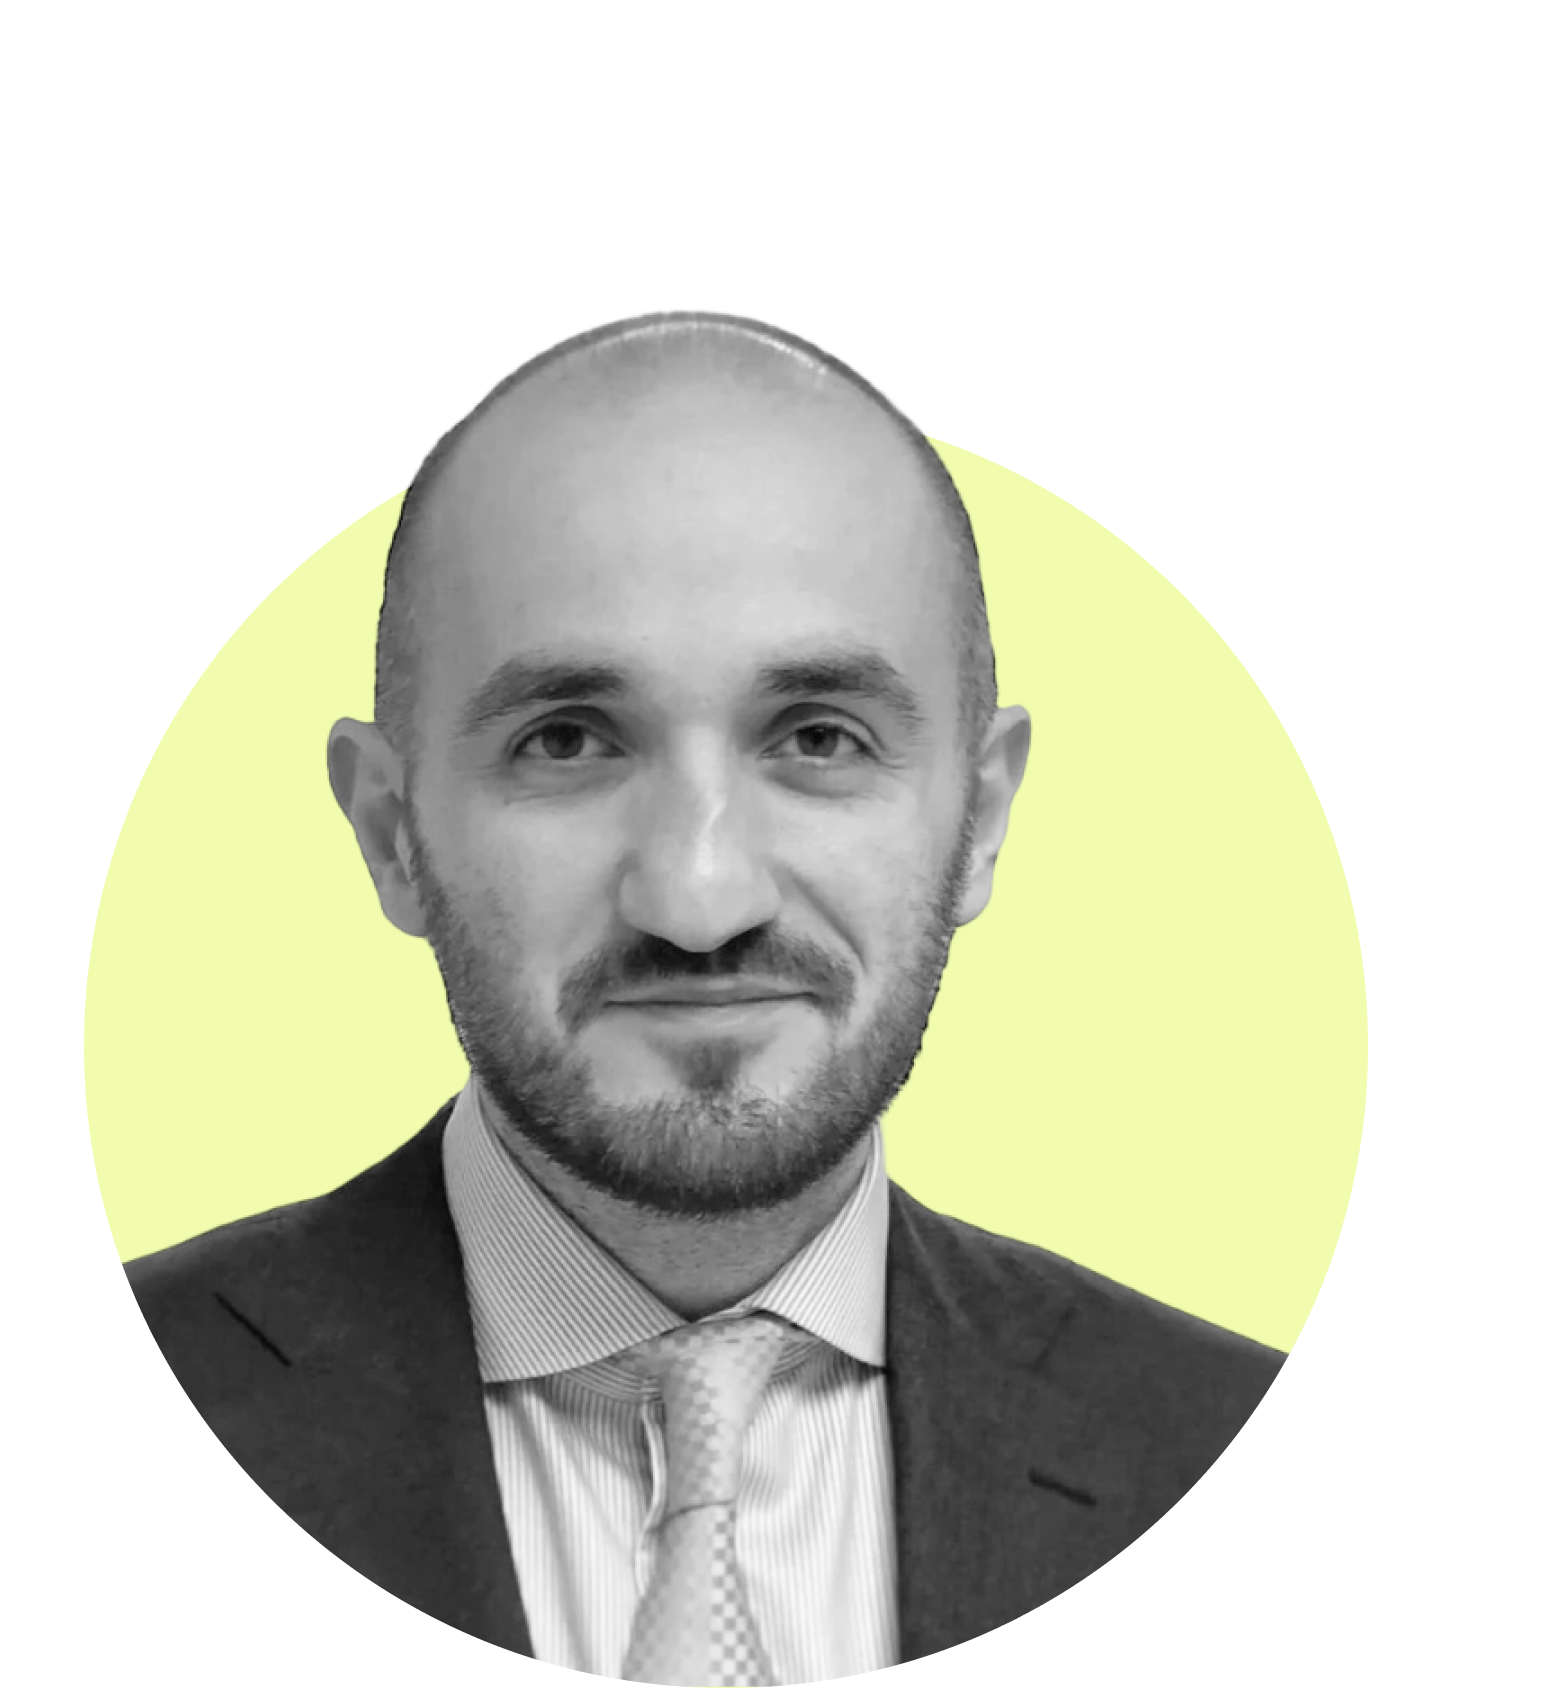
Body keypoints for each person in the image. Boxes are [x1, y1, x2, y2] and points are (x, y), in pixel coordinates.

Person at [125, 309, 1285, 1681]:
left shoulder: (1212, 1432)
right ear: (391, 834)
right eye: (567, 740)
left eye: (818, 737)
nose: (699, 898)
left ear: (979, 818)